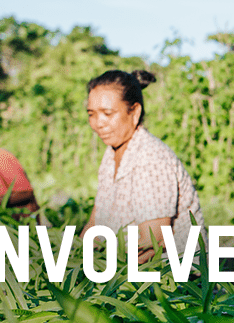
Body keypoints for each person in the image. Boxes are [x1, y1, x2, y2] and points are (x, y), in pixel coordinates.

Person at [81, 70, 204, 264]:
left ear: (135, 112)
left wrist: (100, 272)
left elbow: (152, 244)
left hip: (173, 277)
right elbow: (96, 223)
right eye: (91, 114)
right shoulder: (111, 153)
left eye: (107, 113)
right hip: (125, 267)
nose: (98, 123)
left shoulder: (151, 158)